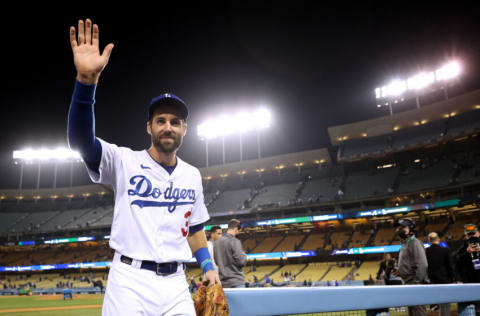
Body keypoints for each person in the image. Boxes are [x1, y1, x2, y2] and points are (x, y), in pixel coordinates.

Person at [67, 19, 220, 316]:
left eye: (175, 122)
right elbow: (81, 142)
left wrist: (208, 266)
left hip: (176, 283)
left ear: (185, 129)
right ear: (148, 127)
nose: (168, 127)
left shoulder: (192, 175)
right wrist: (86, 84)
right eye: (160, 120)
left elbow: (196, 229)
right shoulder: (124, 160)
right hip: (129, 281)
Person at [394, 218, 428, 316]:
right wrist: (400, 271)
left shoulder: (415, 243)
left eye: (402, 227)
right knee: (412, 312)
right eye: (398, 228)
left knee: (418, 312)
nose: (399, 230)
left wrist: (416, 283)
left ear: (411, 229)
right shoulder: (406, 243)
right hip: (408, 283)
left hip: (414, 284)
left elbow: (422, 265)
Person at [425, 232, 455, 316]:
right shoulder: (446, 250)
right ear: (438, 239)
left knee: (437, 301)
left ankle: (434, 306)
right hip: (445, 280)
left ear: (429, 240)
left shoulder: (426, 251)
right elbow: (450, 266)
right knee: (445, 304)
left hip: (432, 281)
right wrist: (453, 279)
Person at [214, 219, 248, 288]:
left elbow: (217, 262)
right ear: (235, 229)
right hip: (236, 281)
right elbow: (241, 262)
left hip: (223, 282)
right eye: (238, 231)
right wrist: (244, 255)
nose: (238, 233)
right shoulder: (235, 241)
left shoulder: (217, 242)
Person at [454, 224, 480, 315]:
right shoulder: (463, 248)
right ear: (465, 236)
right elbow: (456, 261)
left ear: (478, 233)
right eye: (469, 235)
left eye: (473, 234)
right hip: (471, 283)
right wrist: (466, 253)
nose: (472, 236)